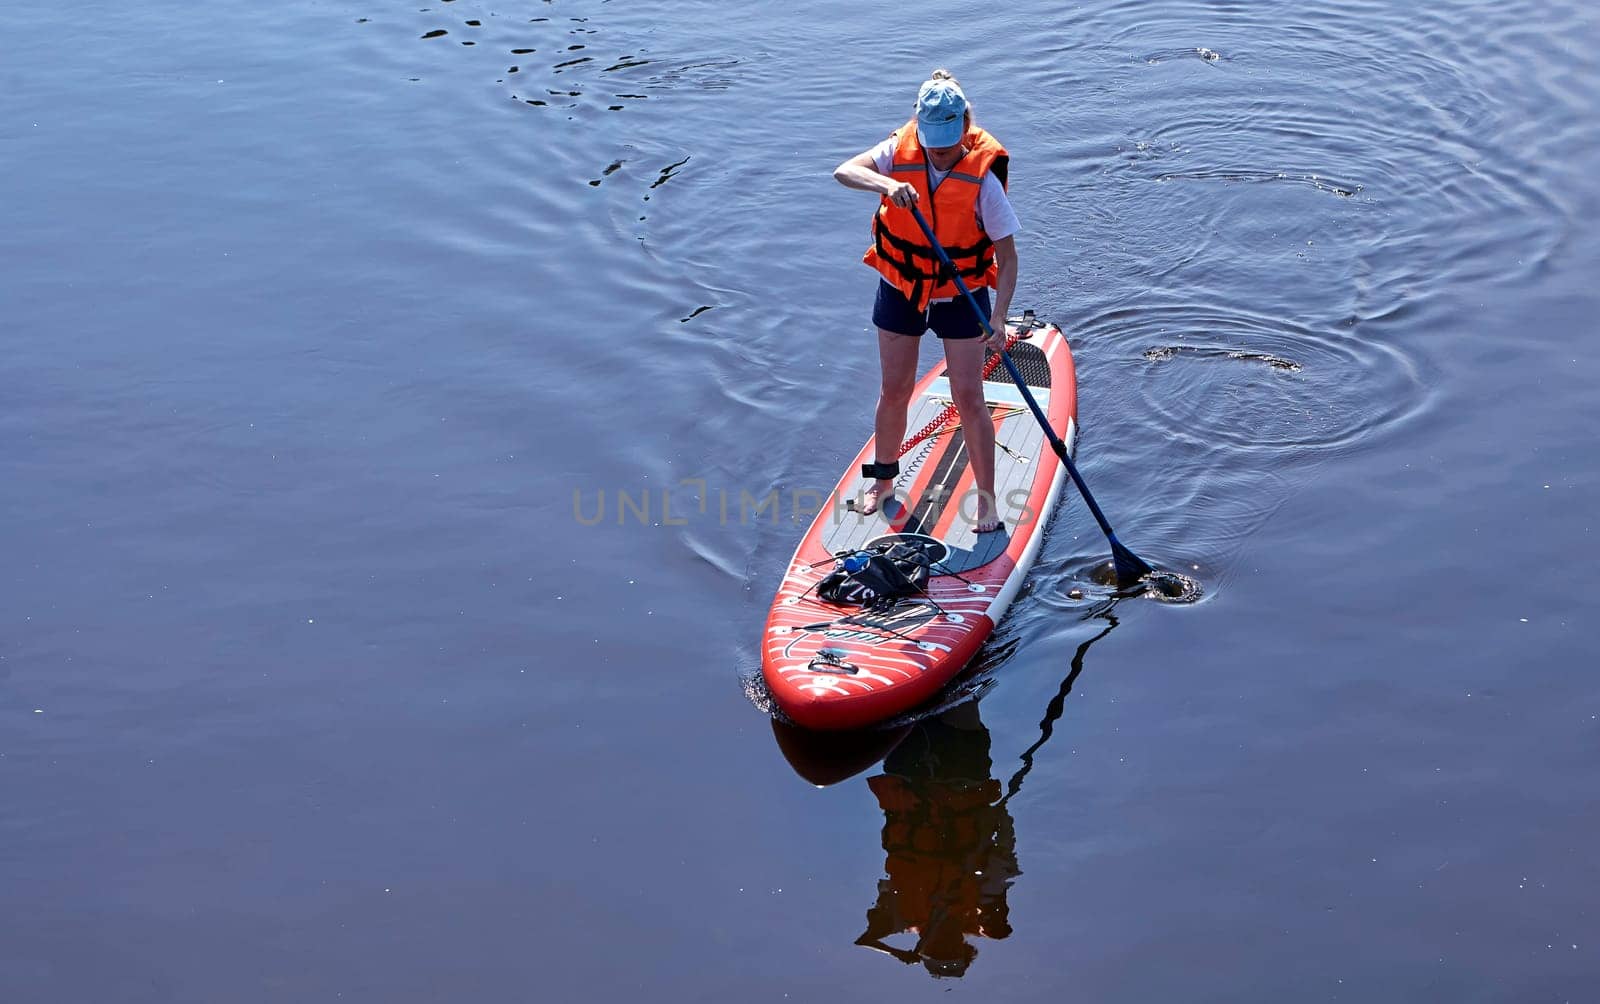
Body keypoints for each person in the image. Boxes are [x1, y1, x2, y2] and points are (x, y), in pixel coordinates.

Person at [833, 69, 1020, 533]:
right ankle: (882, 482)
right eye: (932, 144)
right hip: (903, 285)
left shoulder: (983, 179)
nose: (938, 153)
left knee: (969, 396)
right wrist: (886, 185)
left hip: (961, 293)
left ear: (964, 129)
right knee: (894, 390)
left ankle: (988, 501)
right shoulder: (899, 149)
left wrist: (998, 318)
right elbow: (844, 171)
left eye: (947, 145)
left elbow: (1008, 257)